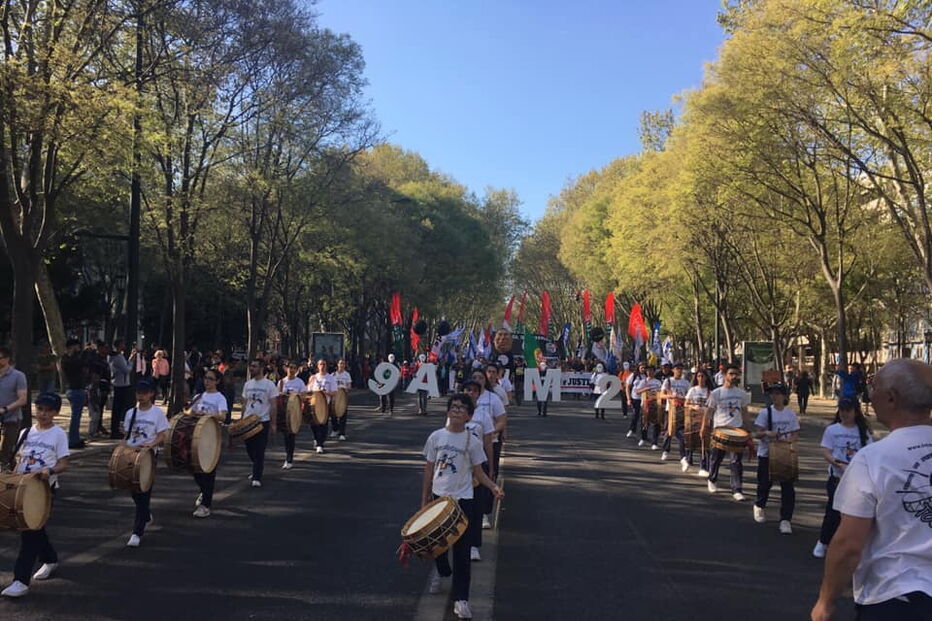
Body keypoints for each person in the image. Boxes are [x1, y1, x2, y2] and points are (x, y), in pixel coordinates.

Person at [811, 359, 932, 621]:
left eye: (873, 387)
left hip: (897, 597)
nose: (869, 394)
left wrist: (825, 601)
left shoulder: (873, 459)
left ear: (891, 398)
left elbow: (848, 544)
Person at [422, 393, 503, 620]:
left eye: (461, 409)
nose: (457, 411)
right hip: (439, 499)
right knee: (437, 546)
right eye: (454, 407)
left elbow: (479, 473)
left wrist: (493, 487)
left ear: (468, 416)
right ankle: (441, 569)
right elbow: (429, 470)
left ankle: (461, 599)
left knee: (462, 552)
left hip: (463, 502)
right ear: (448, 411)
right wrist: (424, 499)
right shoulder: (436, 437)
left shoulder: (472, 442)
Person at [1, 392, 69, 598]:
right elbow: (16, 459)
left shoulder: (58, 434)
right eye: (40, 409)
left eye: (48, 410)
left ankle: (20, 581)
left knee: (30, 532)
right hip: (22, 488)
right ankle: (50, 559)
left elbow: (64, 463)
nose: (43, 414)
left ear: (56, 413)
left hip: (43, 489)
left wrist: (50, 471)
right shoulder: (26, 432)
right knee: (33, 529)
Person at [813, 398, 873, 559]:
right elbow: (826, 451)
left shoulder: (862, 431)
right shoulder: (832, 430)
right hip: (837, 476)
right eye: (842, 410)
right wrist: (837, 463)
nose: (845, 414)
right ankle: (823, 541)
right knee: (833, 510)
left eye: (848, 410)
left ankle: (852, 544)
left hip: (857, 478)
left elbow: (869, 452)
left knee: (855, 512)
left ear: (855, 412)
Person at [122, 378, 169, 547]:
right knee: (133, 490)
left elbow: (162, 435)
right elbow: (127, 435)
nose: (140, 396)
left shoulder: (157, 413)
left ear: (151, 394)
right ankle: (146, 514)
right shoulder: (131, 413)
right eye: (138, 393)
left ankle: (137, 532)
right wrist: (121, 450)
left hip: (148, 455)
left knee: (143, 491)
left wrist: (152, 445)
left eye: (144, 393)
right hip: (132, 454)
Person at [752, 383, 801, 534]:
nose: (775, 396)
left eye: (778, 393)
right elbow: (757, 433)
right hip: (767, 453)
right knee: (765, 483)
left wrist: (789, 441)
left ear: (784, 396)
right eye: (772, 393)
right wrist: (767, 433)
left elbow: (795, 433)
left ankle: (785, 519)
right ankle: (759, 505)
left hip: (784, 452)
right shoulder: (766, 413)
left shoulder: (790, 414)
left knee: (787, 487)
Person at [703, 364, 751, 501]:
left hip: (737, 430)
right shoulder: (716, 393)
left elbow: (745, 412)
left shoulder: (742, 394)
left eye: (736, 374)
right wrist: (704, 428)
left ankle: (737, 489)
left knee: (736, 461)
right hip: (720, 430)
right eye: (731, 374)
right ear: (724, 375)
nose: (734, 376)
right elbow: (709, 411)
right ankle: (712, 479)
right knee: (716, 458)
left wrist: (748, 430)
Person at [190, 370, 228, 518]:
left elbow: (223, 417)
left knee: (209, 471)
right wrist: (192, 413)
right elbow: (189, 412)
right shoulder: (198, 397)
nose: (207, 381)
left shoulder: (220, 398)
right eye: (205, 378)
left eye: (210, 379)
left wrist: (208, 415)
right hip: (197, 438)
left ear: (217, 381)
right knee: (195, 469)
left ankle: (205, 505)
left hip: (212, 438)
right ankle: (204, 491)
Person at [241, 359, 278, 487]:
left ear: (261, 368)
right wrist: (241, 420)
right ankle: (256, 465)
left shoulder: (269, 385)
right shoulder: (248, 384)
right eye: (251, 366)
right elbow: (244, 403)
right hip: (248, 420)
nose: (251, 368)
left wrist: (273, 424)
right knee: (249, 448)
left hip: (262, 421)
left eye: (254, 366)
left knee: (260, 449)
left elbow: (273, 405)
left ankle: (257, 476)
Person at [0, 346, 28, 472]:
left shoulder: (18, 376)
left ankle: (8, 476)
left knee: (6, 451)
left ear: (7, 359)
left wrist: (5, 409)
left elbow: (23, 399)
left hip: (11, 418)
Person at [660, 362, 691, 463]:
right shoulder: (668, 381)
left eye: (681, 369)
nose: (679, 371)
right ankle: (665, 450)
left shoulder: (686, 382)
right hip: (671, 409)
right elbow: (661, 395)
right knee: (668, 431)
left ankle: (683, 456)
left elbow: (689, 396)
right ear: (673, 370)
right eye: (677, 369)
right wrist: (670, 396)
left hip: (682, 410)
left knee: (682, 433)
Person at [60, 338, 88, 449]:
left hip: (74, 388)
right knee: (76, 416)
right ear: (72, 347)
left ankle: (75, 437)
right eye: (77, 346)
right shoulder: (69, 359)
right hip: (75, 388)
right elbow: (80, 364)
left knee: (77, 416)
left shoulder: (66, 359)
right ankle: (73, 440)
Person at [277, 362, 305, 469]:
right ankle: (287, 455)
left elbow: (303, 396)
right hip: (283, 412)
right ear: (286, 369)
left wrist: (295, 396)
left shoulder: (300, 382)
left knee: (291, 435)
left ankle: (289, 458)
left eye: (294, 368)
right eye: (290, 368)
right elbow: (277, 396)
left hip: (294, 411)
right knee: (285, 435)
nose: (291, 370)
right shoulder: (281, 382)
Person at [684, 370, 712, 476]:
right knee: (691, 440)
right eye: (698, 376)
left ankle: (704, 466)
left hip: (705, 419)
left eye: (702, 376)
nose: (700, 378)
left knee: (705, 442)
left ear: (706, 378)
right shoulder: (693, 390)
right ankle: (688, 458)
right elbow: (686, 403)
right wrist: (693, 406)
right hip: (693, 419)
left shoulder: (710, 392)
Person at [307, 359, 336, 453]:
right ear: (317, 366)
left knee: (323, 424)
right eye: (320, 364)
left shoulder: (330, 378)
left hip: (325, 404)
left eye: (324, 364)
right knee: (313, 424)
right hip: (314, 404)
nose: (322, 366)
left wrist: (326, 393)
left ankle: (320, 444)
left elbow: (334, 392)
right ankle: (316, 438)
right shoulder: (313, 377)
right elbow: (308, 390)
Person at [109, 340, 132, 440]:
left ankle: (116, 429)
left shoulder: (116, 356)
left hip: (119, 383)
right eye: (123, 344)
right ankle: (115, 431)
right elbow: (126, 369)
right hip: (120, 384)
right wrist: (131, 362)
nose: (124, 345)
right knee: (118, 408)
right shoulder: (118, 357)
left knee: (118, 408)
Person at [625, 362, 648, 440]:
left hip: (644, 398)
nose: (643, 369)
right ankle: (632, 429)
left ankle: (644, 434)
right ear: (638, 368)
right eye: (642, 368)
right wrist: (628, 399)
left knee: (644, 417)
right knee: (635, 415)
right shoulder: (634, 375)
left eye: (644, 368)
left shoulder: (647, 376)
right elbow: (627, 387)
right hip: (635, 398)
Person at [331, 359, 352, 440]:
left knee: (343, 414)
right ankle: (335, 429)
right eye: (340, 363)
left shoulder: (347, 375)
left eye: (343, 363)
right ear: (337, 365)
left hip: (343, 397)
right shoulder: (333, 375)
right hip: (335, 397)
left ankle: (342, 433)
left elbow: (349, 385)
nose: (342, 365)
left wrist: (346, 388)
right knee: (333, 414)